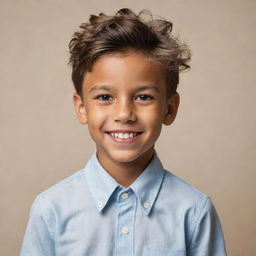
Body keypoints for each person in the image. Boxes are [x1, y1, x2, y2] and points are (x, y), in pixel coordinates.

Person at [20, 8, 227, 256]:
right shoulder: (51, 209)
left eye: (143, 97)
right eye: (105, 97)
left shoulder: (194, 211)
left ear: (169, 109)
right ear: (81, 108)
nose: (124, 113)